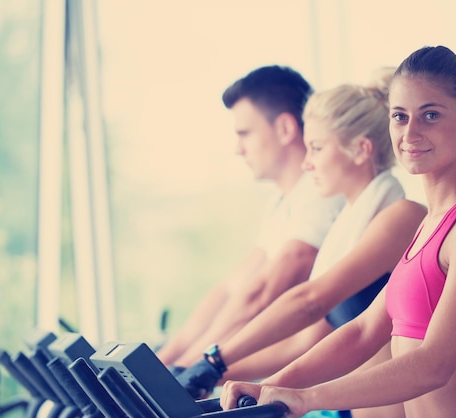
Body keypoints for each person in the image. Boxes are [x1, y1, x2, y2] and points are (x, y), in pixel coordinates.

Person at [220, 45, 456, 418]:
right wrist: (276, 386)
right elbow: (364, 331)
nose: (410, 132)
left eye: (430, 115)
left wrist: (309, 398)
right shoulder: (430, 222)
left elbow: (434, 364)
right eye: (400, 117)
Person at [176, 67, 426, 418]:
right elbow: (307, 340)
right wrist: (213, 376)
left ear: (360, 150)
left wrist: (214, 360)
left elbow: (310, 300)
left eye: (317, 148)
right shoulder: (347, 226)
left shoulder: (400, 217)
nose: (307, 163)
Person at [156, 66, 345, 369]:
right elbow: (233, 289)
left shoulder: (323, 195)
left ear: (284, 129)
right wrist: (164, 360)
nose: (238, 149)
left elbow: (260, 294)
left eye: (245, 133)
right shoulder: (282, 204)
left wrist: (192, 367)